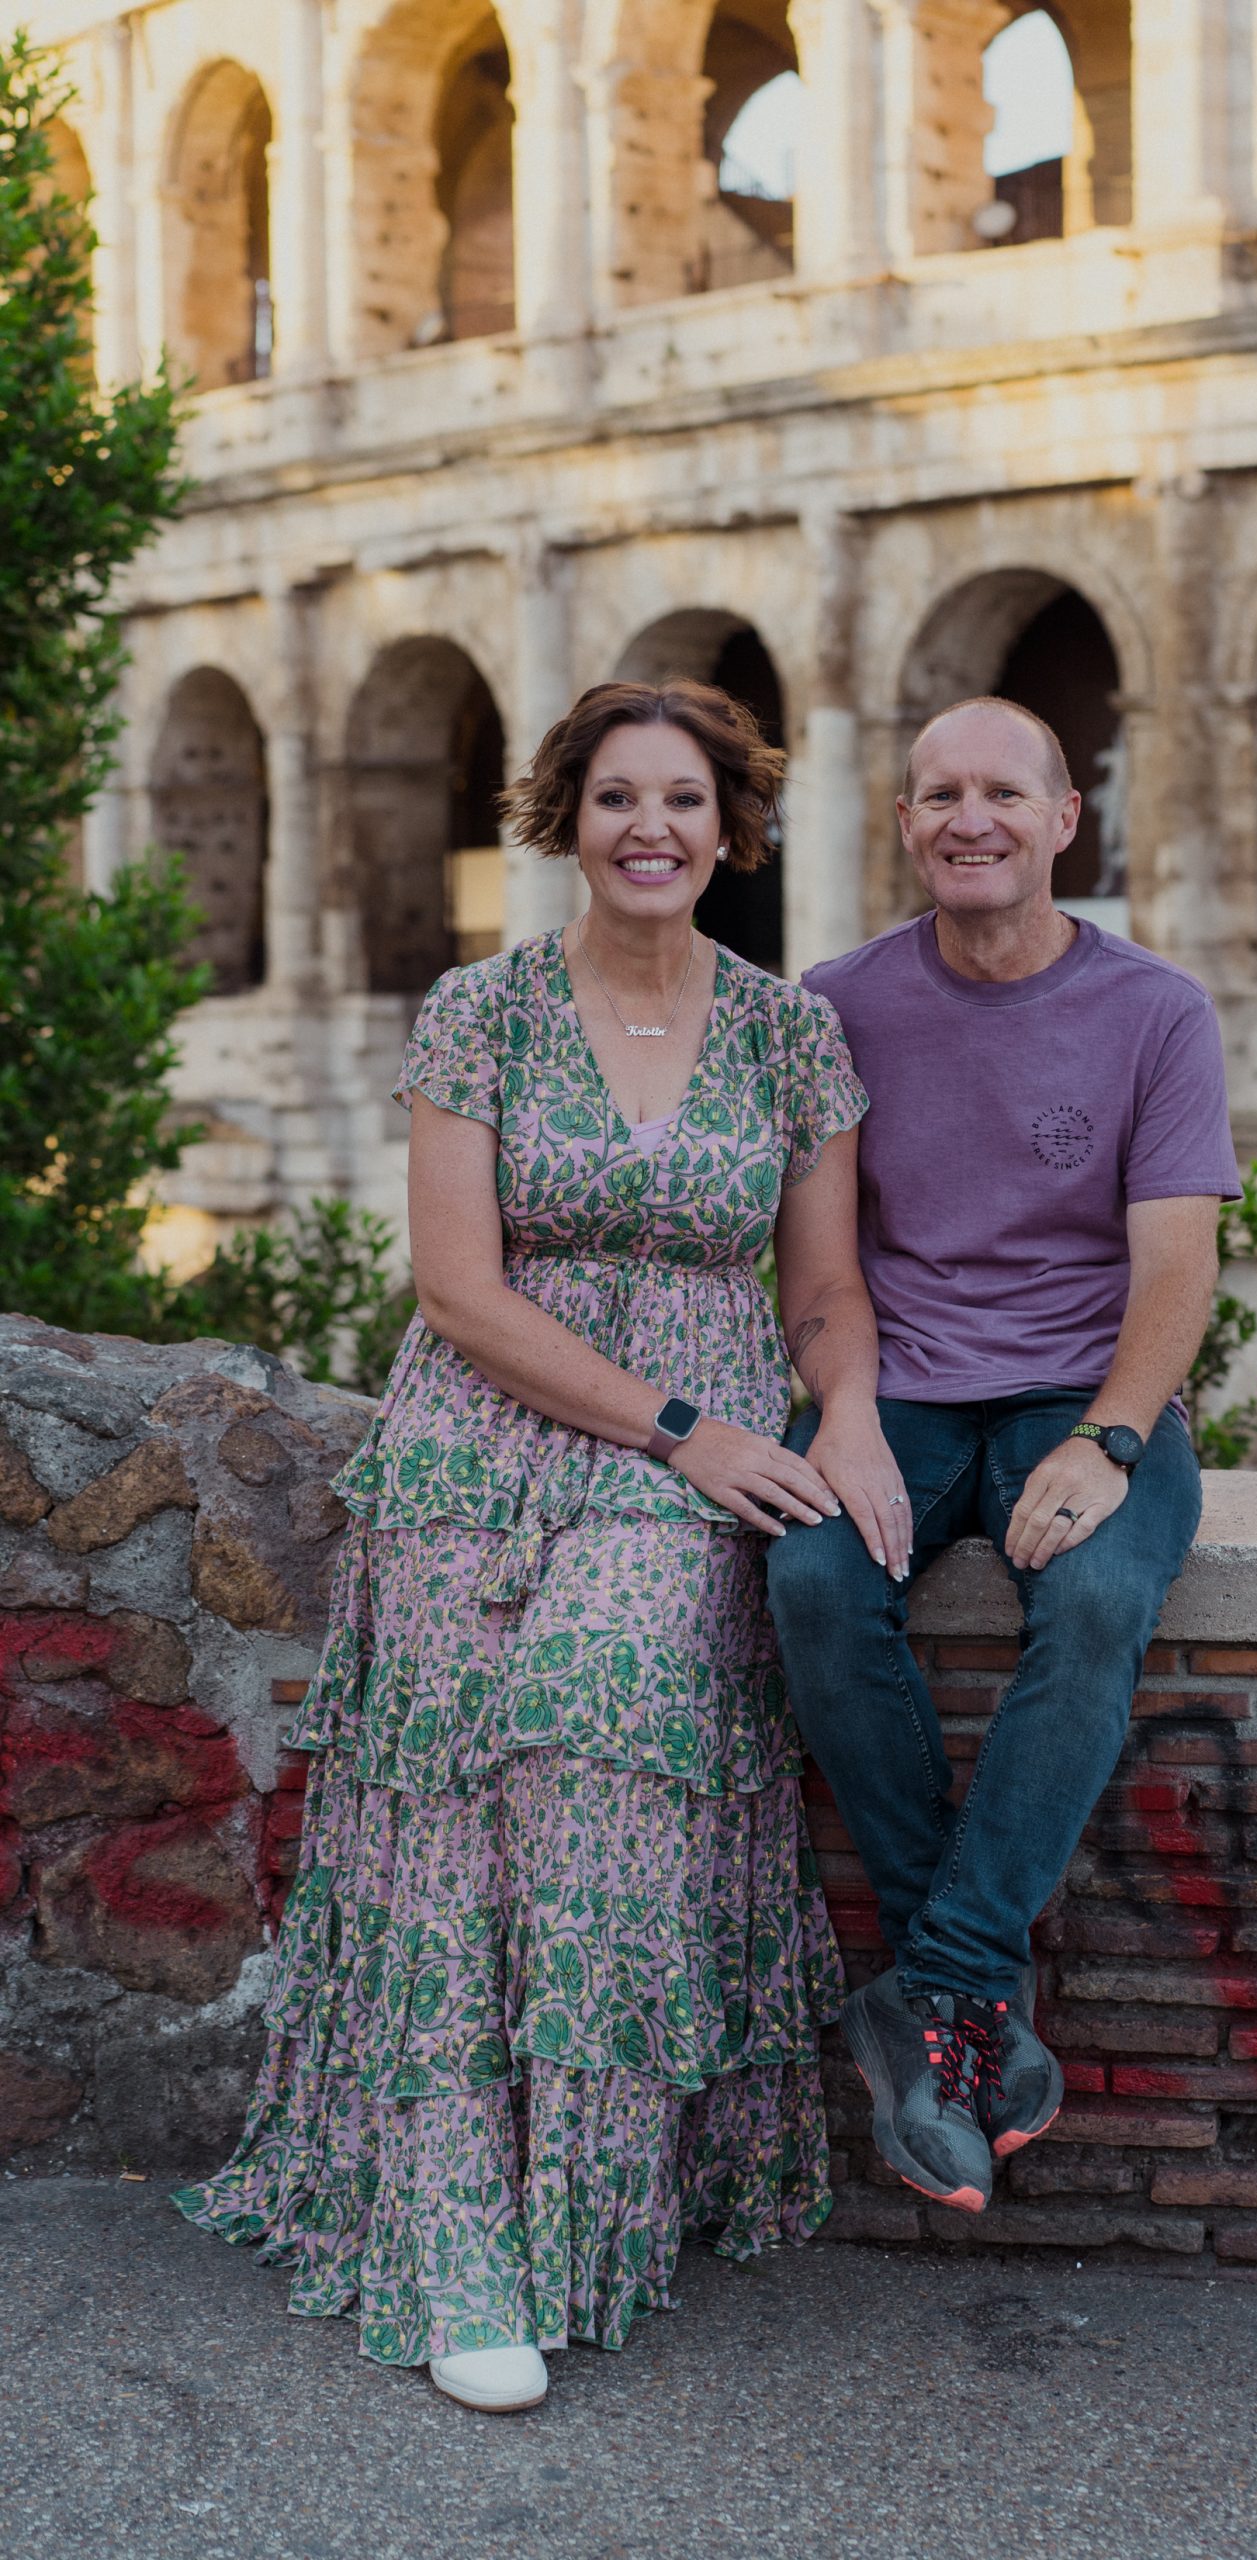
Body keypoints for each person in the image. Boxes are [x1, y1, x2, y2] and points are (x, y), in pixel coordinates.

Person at [176, 680, 909, 2412]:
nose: (650, 831)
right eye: (614, 801)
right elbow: (459, 1286)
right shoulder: (479, 1011)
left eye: (683, 803)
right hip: (493, 1441)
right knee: (445, 1789)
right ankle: (456, 2241)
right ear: (566, 822)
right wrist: (679, 1426)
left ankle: (580, 2207)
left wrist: (849, 1419)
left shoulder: (788, 1031)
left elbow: (821, 1290)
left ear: (730, 831)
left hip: (693, 1463)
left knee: (589, 1733)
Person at [766, 694, 1241, 2214]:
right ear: (905, 824)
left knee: (1097, 1602)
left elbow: (1178, 1268)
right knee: (816, 1583)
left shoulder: (1156, 1011)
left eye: (1002, 794)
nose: (970, 818)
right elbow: (821, 1267)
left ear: (1061, 820)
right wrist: (843, 1417)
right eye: (939, 795)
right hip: (895, 1388)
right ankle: (966, 1996)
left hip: (1085, 1395)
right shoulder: (836, 1004)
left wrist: (1111, 1439)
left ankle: (931, 1988)